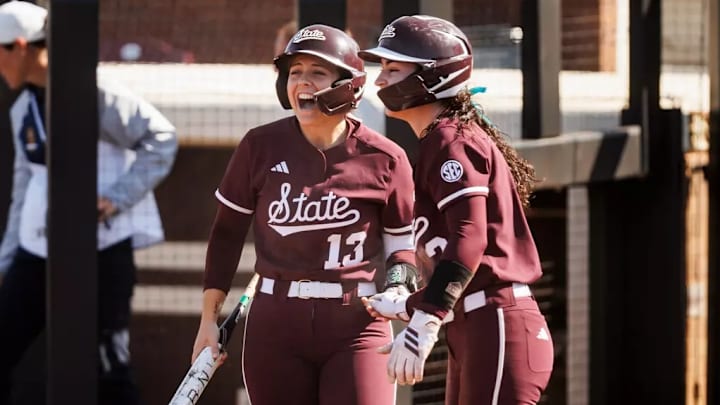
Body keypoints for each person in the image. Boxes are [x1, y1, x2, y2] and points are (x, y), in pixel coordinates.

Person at [190, 24, 417, 405]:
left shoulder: (387, 158)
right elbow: (227, 234)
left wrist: (398, 287)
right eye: (294, 72)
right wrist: (208, 321)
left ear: (350, 85)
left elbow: (402, 248)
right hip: (276, 323)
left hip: (357, 323)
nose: (302, 82)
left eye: (317, 72)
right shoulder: (259, 146)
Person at [359, 15, 554, 404]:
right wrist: (409, 305)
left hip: (499, 320)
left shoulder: (451, 140)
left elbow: (471, 237)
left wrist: (425, 319)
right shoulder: (440, 139)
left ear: (433, 75)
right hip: (475, 322)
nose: (380, 81)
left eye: (393, 69)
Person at [0, 2, 178, 404]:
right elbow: (23, 187)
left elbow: (162, 140)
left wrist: (113, 200)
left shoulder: (99, 95)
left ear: (21, 47)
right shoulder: (22, 108)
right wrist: (7, 260)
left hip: (100, 250)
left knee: (108, 366)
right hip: (35, 252)